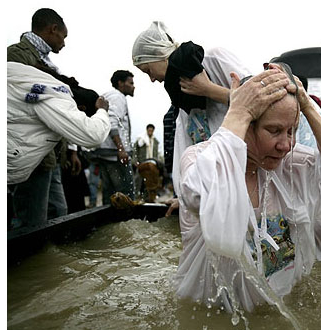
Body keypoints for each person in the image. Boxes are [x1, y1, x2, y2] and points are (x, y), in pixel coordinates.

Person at [173, 65, 321, 311]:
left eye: (292, 131)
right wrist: (239, 110)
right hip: (215, 314)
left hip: (282, 306)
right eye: (274, 131)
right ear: (246, 125)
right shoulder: (200, 159)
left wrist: (306, 105)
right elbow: (200, 193)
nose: (286, 145)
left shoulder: (290, 166)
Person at [131, 21, 252, 212]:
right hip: (220, 195)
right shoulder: (182, 103)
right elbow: (187, 151)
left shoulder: (214, 59)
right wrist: (184, 197)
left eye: (147, 70)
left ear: (159, 54)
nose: (152, 79)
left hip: (250, 180)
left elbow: (259, 100)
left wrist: (209, 90)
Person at [7, 62, 110, 228]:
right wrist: (102, 111)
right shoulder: (58, 97)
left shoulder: (42, 86)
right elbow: (93, 135)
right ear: (81, 108)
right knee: (31, 222)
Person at [90, 70, 136, 202]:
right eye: (131, 83)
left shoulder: (109, 96)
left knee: (109, 195)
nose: (134, 86)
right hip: (115, 155)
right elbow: (111, 122)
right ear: (120, 83)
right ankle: (126, 222)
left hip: (107, 154)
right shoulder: (117, 97)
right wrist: (121, 149)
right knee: (125, 195)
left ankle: (111, 222)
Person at [133, 124, 164, 202]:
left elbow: (156, 153)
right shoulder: (141, 139)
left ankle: (148, 197)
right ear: (147, 130)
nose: (150, 132)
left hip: (151, 163)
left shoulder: (155, 141)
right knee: (138, 179)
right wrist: (135, 161)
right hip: (142, 162)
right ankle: (136, 196)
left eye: (151, 130)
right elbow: (135, 151)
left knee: (150, 180)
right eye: (149, 130)